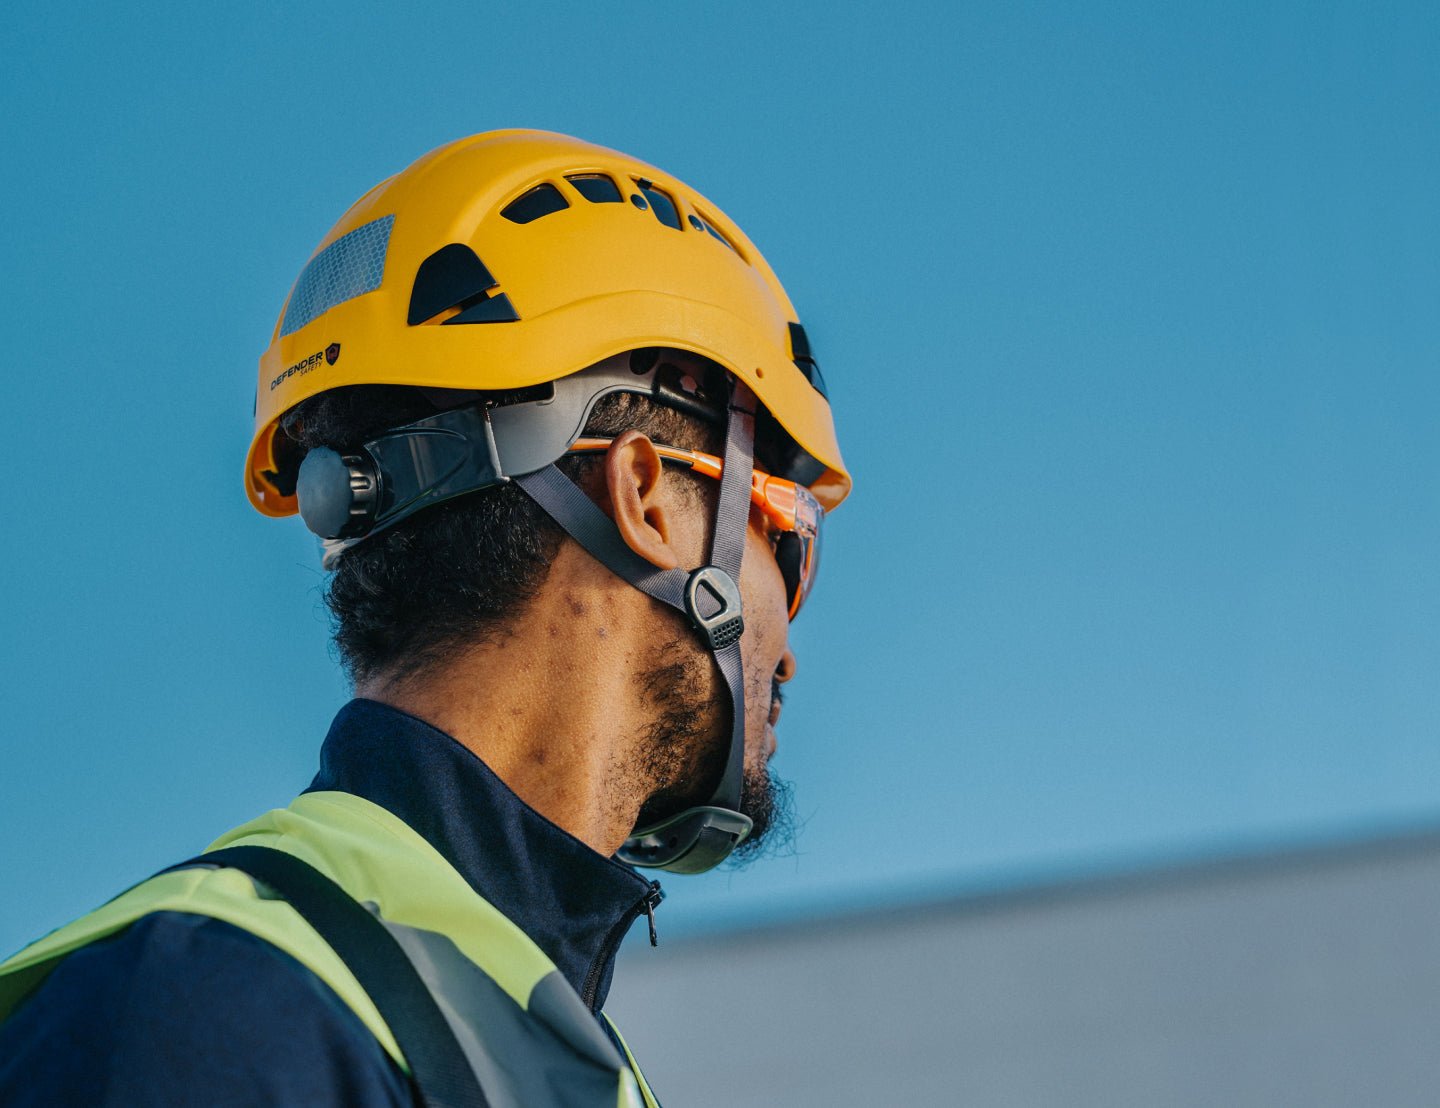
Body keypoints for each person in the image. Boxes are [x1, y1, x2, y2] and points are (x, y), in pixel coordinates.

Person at [0, 129, 850, 1106]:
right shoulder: (218, 1019)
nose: (788, 649)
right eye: (787, 534)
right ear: (649, 498)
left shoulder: (507, 1031)